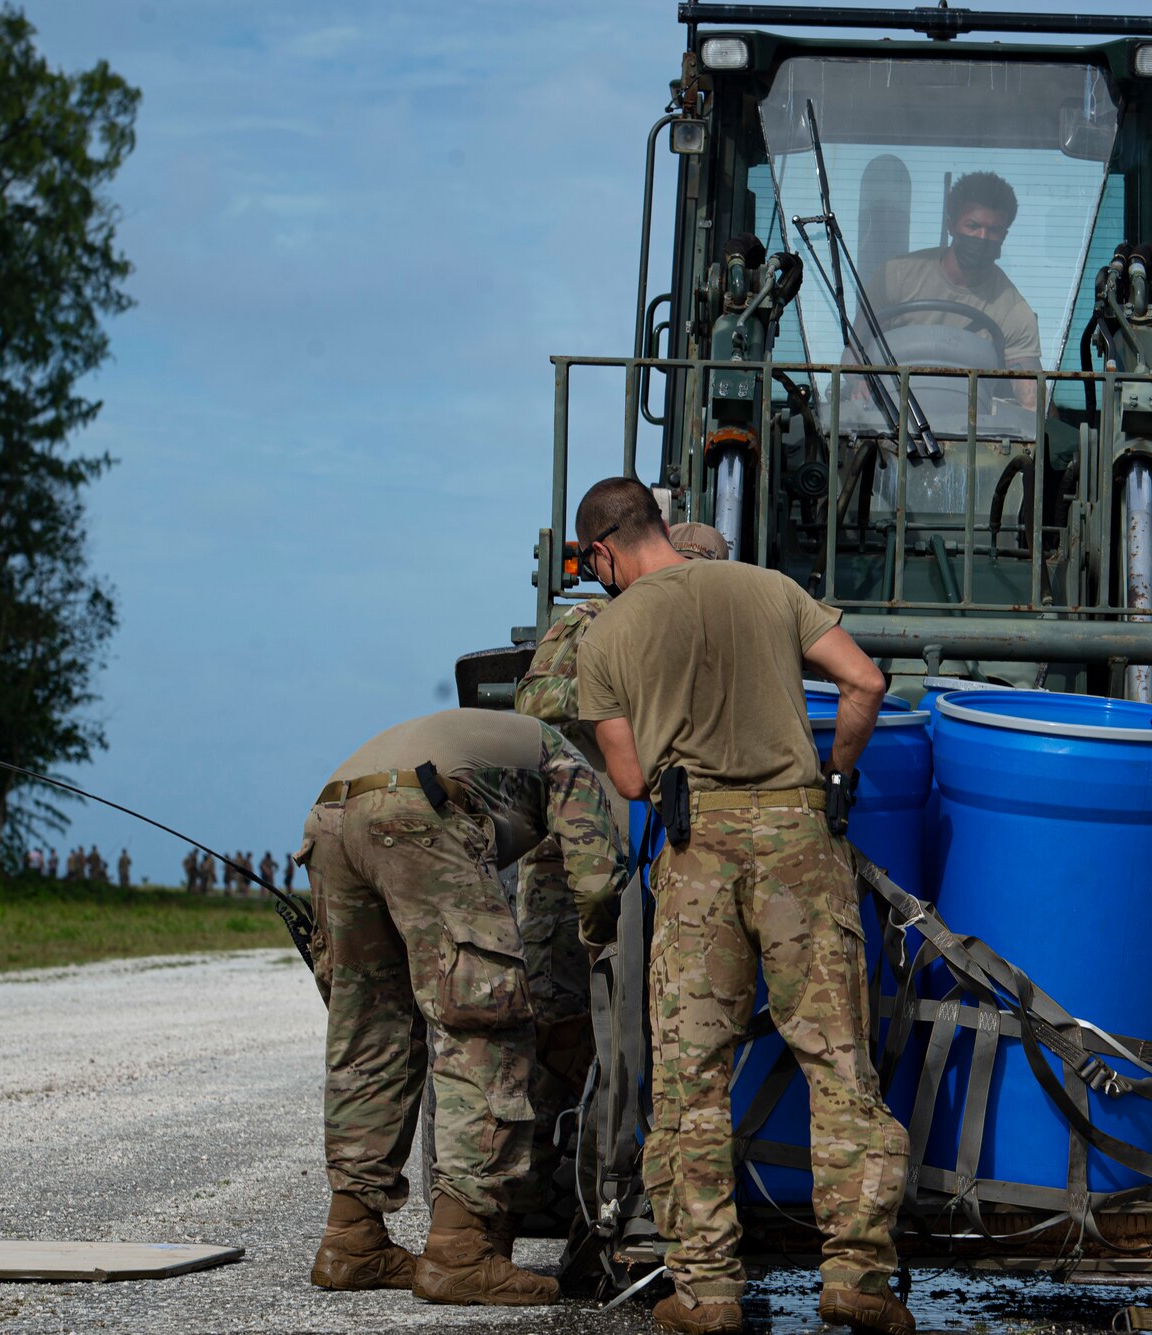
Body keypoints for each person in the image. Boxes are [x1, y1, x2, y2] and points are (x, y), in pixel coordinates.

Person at [566, 478, 912, 1335]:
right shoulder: (771, 588)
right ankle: (857, 1278)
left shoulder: (608, 632)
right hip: (803, 842)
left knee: (691, 1080)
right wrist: (836, 774)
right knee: (839, 1065)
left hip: (699, 855)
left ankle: (709, 1293)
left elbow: (634, 781)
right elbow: (865, 681)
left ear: (605, 550)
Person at [295, 708, 620, 1307]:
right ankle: (460, 1253)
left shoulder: (495, 734)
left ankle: (352, 1239)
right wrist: (608, 953)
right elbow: (597, 885)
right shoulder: (566, 758)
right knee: (484, 1025)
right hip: (418, 813)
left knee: (371, 1033)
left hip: (329, 818)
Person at [508, 518, 730, 1233]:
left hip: (674, 858)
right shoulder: (591, 623)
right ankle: (538, 1197)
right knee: (559, 1024)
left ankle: (630, 1194)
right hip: (575, 854)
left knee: (658, 1032)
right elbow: (535, 710)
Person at [867, 171, 1041, 409]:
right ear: (951, 225)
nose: (982, 237)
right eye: (972, 225)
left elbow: (1031, 398)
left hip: (970, 435)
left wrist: (1032, 407)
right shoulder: (896, 276)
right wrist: (858, 382)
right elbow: (855, 347)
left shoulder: (1013, 309)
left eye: (993, 231)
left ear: (1004, 235)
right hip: (887, 420)